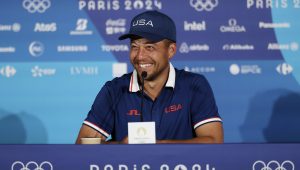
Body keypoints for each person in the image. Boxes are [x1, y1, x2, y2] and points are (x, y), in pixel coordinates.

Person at [76, 10, 223, 144]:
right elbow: (83, 144)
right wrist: (120, 147)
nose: (140, 56)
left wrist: (158, 147)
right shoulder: (114, 90)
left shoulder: (194, 85)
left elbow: (214, 141)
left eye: (149, 47)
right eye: (134, 47)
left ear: (171, 50)